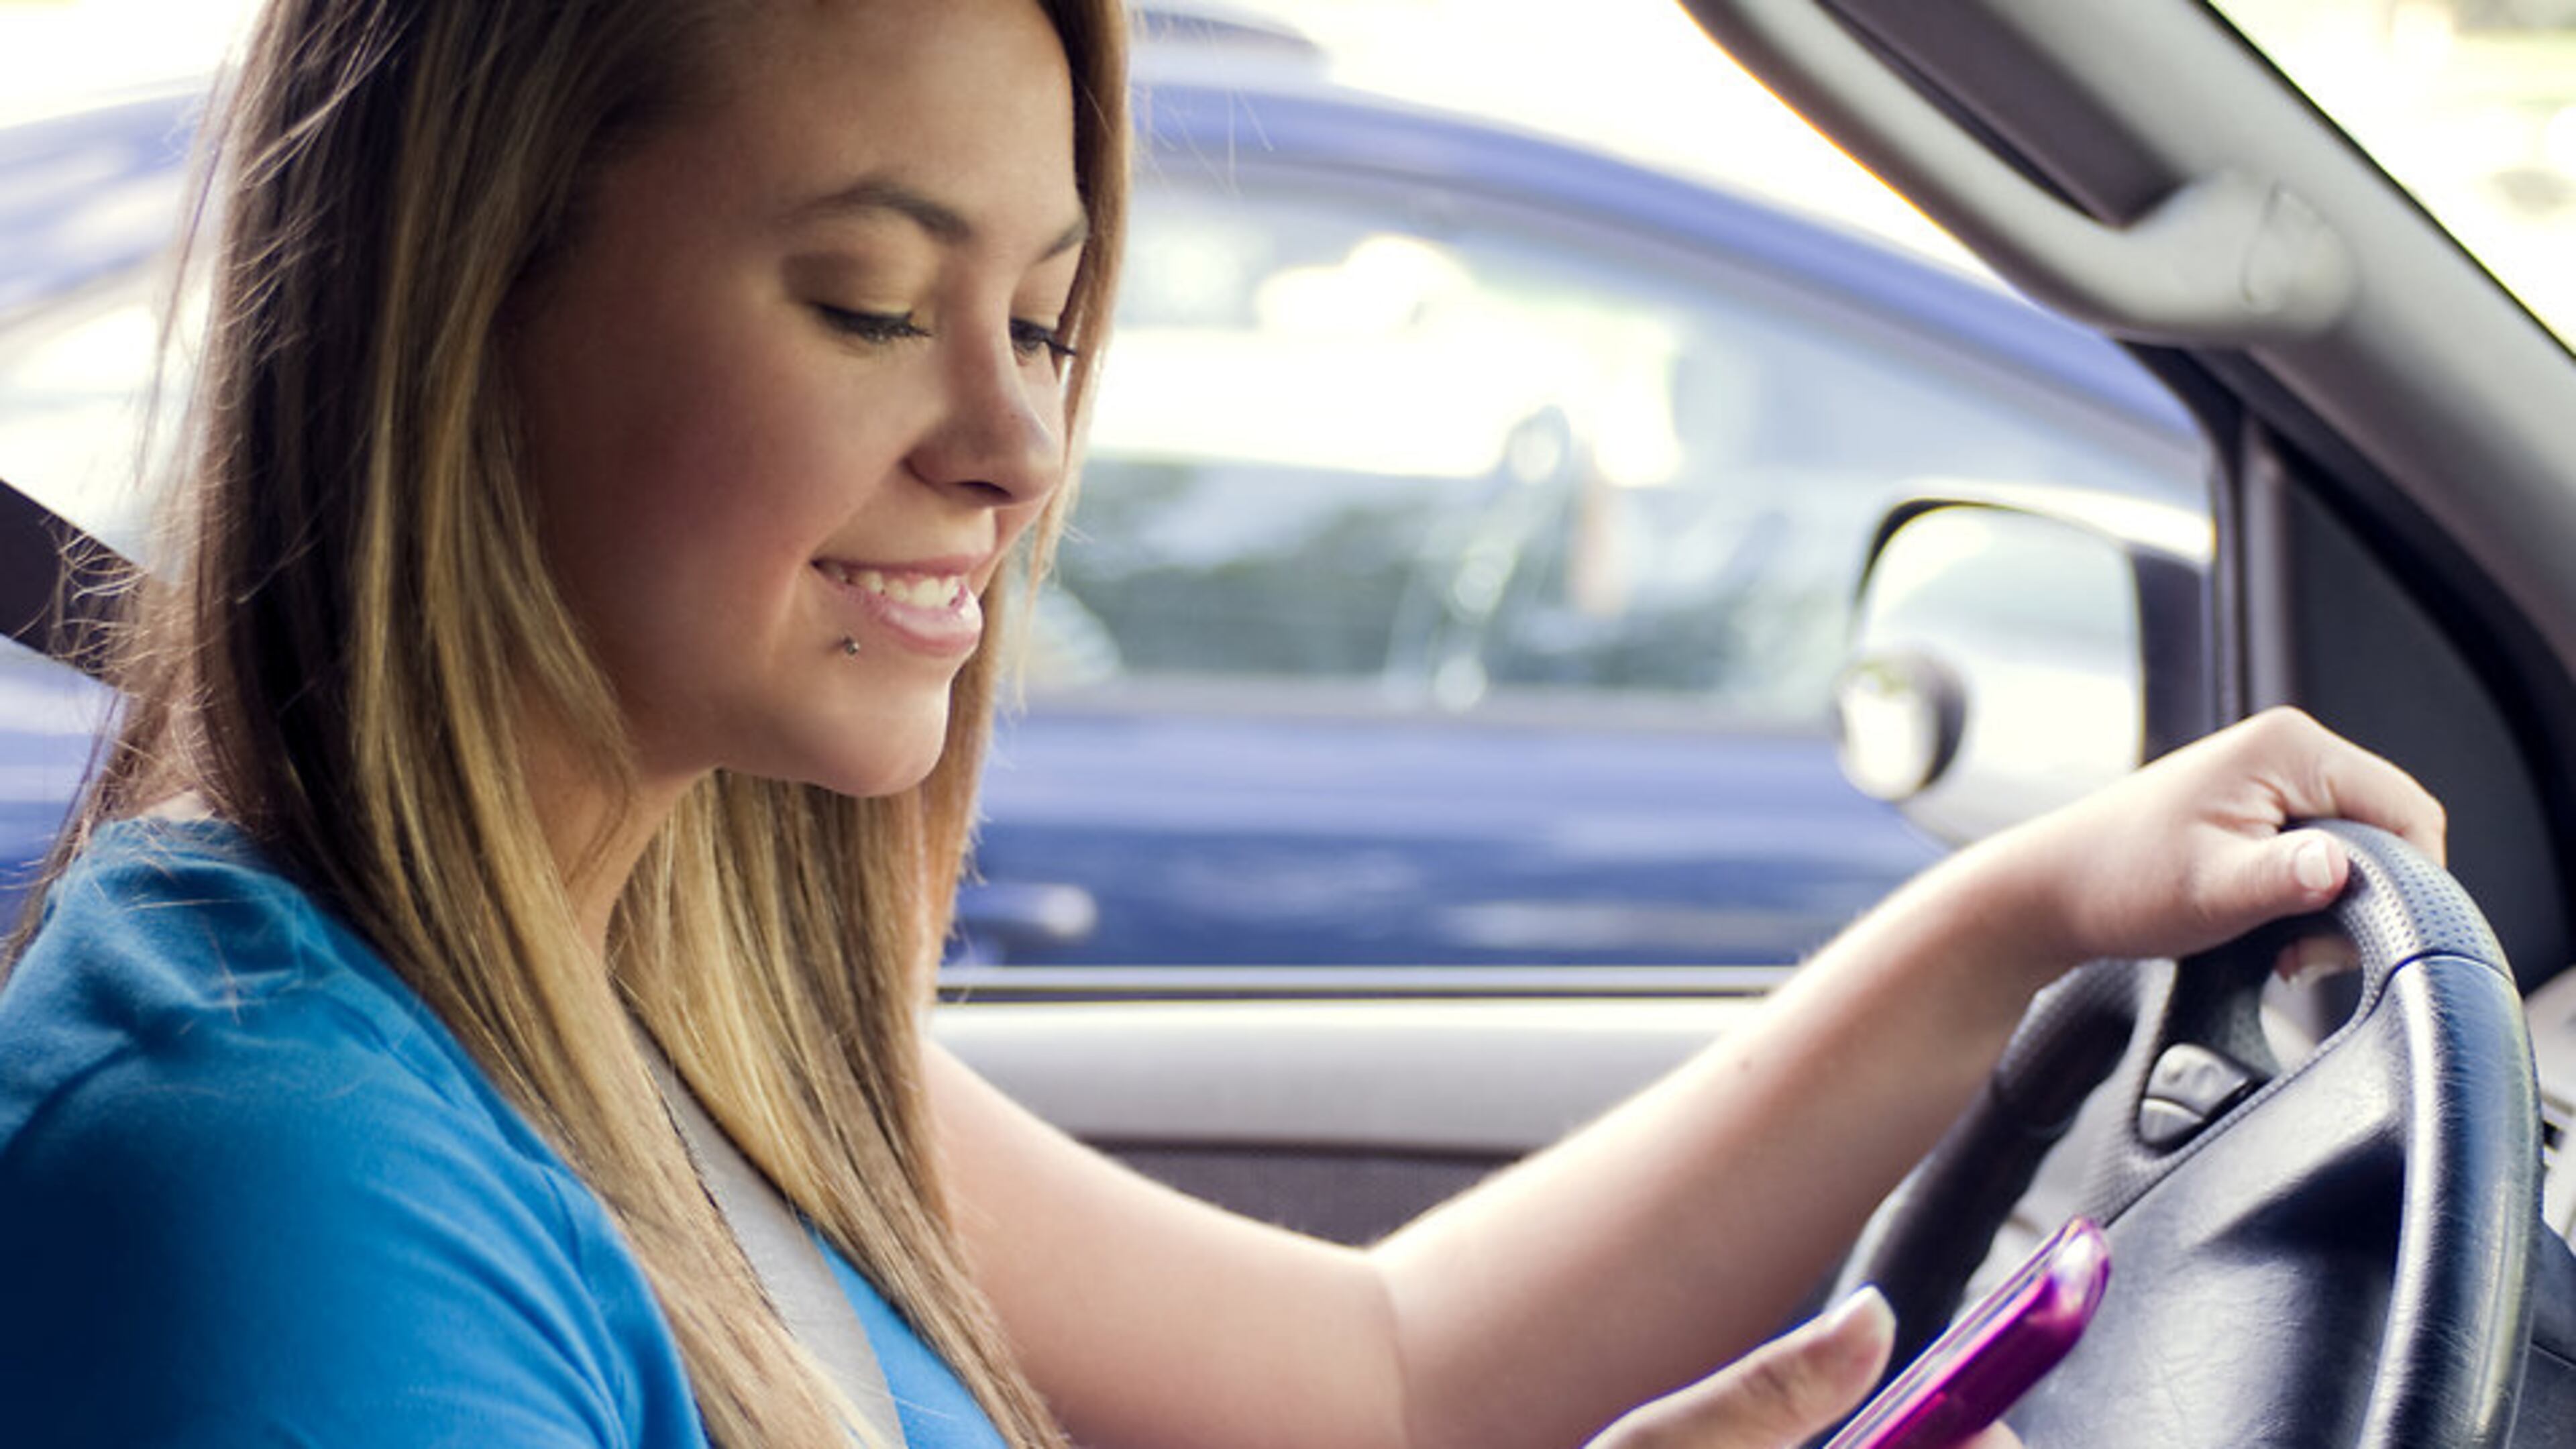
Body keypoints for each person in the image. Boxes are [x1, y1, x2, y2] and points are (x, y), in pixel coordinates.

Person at [0, 0, 2445, 1446]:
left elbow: (1377, 1374)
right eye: (871, 303)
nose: (1018, 446)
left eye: (1046, 319)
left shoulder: (622, 990)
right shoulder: (266, 1181)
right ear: (463, 323)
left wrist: (2006, 930)